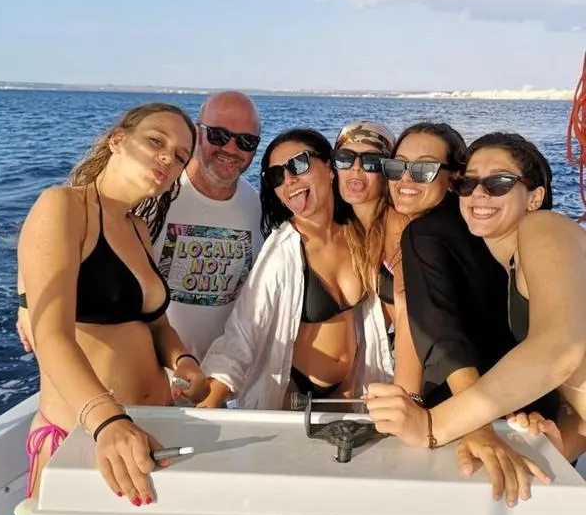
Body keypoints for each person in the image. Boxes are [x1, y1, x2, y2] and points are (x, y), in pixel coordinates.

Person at [17, 102, 209, 502]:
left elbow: (156, 325)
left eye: (180, 157)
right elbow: (50, 334)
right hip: (88, 437)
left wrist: (184, 362)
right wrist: (108, 421)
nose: (167, 158)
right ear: (117, 140)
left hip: (151, 429)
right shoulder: (63, 206)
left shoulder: (139, 229)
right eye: (156, 141)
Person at [367, 132, 586, 479]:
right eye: (468, 184)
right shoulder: (516, 268)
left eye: (499, 182)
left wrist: (434, 425)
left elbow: (561, 350)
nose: (479, 193)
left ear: (535, 197)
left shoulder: (544, 227)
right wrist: (558, 445)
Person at [198, 128, 393, 409]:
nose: (288, 180)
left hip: (352, 387)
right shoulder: (283, 250)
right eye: (276, 176)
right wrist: (211, 400)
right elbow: (244, 330)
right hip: (295, 392)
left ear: (329, 168)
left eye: (299, 164)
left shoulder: (356, 232)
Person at [153, 91, 263, 366]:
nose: (231, 149)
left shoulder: (256, 205)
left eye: (246, 141)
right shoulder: (156, 194)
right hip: (155, 373)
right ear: (196, 132)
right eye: (218, 135)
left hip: (223, 376)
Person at [332, 119, 421, 401]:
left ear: (387, 171)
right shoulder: (349, 229)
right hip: (378, 371)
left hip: (414, 370)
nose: (356, 168)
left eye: (371, 162)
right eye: (345, 158)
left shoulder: (397, 225)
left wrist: (406, 394)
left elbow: (410, 309)